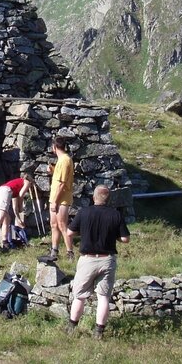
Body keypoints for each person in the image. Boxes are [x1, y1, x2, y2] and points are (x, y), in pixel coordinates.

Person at [64, 185, 130, 340]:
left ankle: (71, 327)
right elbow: (125, 239)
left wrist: (84, 231)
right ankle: (98, 331)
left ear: (94, 197)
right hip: (107, 260)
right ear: (108, 200)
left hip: (87, 259)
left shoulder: (84, 212)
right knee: (103, 297)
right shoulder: (115, 215)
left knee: (79, 296)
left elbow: (69, 232)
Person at [41, 137, 74, 262]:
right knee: (54, 224)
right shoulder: (61, 160)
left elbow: (62, 183)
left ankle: (70, 252)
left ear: (54, 147)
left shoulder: (65, 160)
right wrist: (53, 171)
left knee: (62, 225)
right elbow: (60, 177)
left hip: (61, 199)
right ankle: (54, 250)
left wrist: (55, 201)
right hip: (55, 198)